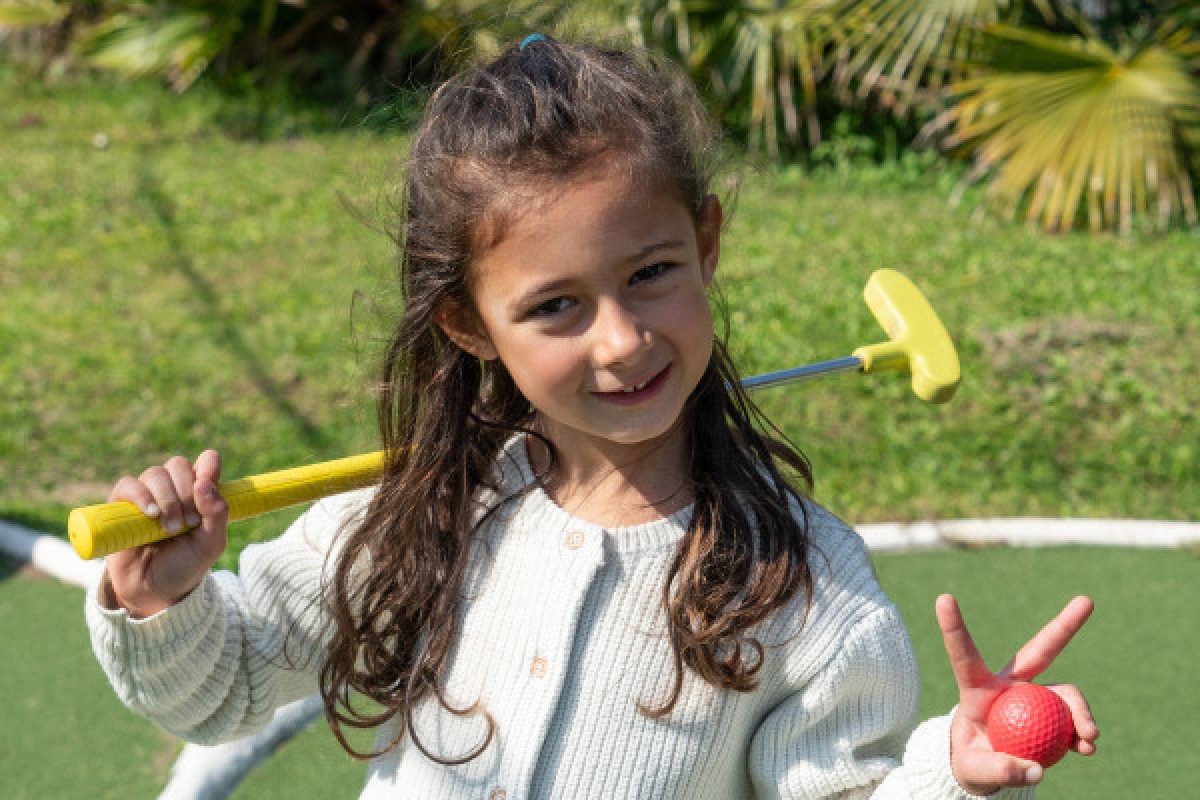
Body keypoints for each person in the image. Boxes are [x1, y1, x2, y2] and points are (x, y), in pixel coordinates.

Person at [86, 34, 1098, 799]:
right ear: (469, 322)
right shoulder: (417, 509)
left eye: (650, 273)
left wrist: (948, 772)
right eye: (555, 304)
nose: (621, 340)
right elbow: (219, 687)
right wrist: (165, 601)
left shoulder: (808, 594)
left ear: (706, 244)